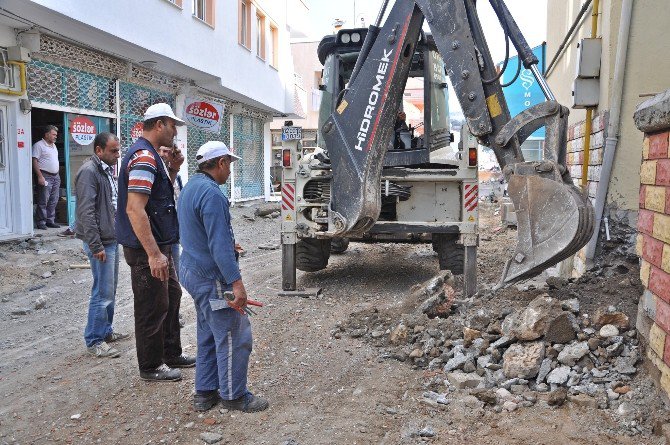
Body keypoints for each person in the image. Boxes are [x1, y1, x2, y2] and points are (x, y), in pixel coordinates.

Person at [178, 141, 269, 413]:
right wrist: (236, 283)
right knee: (234, 335)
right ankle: (233, 396)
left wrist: (227, 246)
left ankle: (205, 393)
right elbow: (218, 246)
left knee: (208, 332)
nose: (230, 171)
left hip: (191, 271)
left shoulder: (191, 188)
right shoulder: (213, 195)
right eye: (229, 164)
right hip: (211, 277)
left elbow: (199, 232)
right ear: (220, 163)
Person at [116, 103, 194, 382]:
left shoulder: (153, 158)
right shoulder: (144, 158)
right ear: (160, 124)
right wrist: (153, 253)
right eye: (173, 125)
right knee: (152, 304)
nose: (175, 132)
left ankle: (171, 353)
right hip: (146, 248)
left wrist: (173, 170)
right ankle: (150, 365)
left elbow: (158, 198)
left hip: (160, 244)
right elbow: (135, 209)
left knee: (171, 296)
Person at [74, 132, 129, 358]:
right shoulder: (89, 172)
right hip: (100, 243)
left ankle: (105, 331)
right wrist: (96, 245)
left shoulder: (105, 170)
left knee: (110, 289)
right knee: (102, 292)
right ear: (99, 150)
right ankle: (95, 339)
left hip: (110, 239)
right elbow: (86, 213)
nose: (117, 155)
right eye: (113, 151)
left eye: (118, 150)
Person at [157, 143, 185, 328]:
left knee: (174, 281)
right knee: (163, 281)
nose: (165, 154)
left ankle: (174, 315)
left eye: (168, 151)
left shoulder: (177, 177)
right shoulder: (155, 175)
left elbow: (178, 203)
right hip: (160, 236)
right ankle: (164, 317)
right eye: (163, 151)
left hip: (173, 234)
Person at [32, 125, 61, 230]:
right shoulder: (38, 145)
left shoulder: (54, 145)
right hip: (45, 175)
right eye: (53, 134)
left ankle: (50, 220)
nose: (55, 137)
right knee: (43, 200)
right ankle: (41, 222)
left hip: (55, 176)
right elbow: (34, 161)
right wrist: (40, 176)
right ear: (47, 134)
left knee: (54, 200)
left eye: (56, 135)